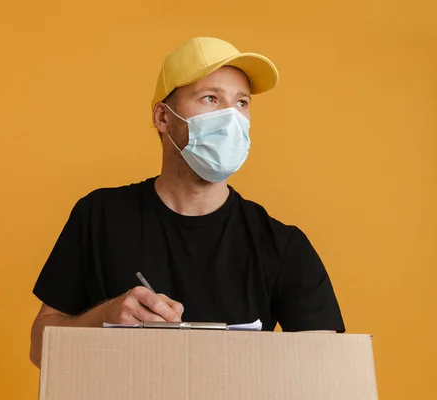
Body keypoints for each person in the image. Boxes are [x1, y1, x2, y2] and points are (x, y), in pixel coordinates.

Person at [29, 36, 345, 368]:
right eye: (211, 99)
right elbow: (39, 349)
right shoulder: (99, 216)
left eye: (241, 103)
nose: (231, 119)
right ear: (163, 118)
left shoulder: (283, 246)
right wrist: (105, 316)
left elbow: (325, 369)